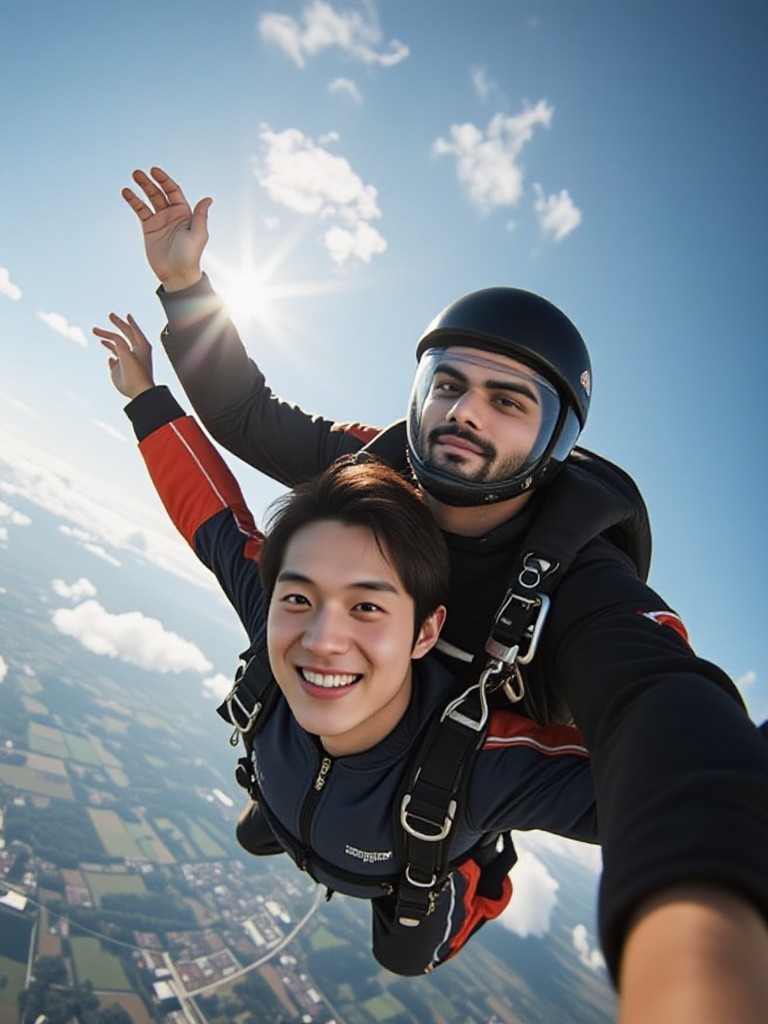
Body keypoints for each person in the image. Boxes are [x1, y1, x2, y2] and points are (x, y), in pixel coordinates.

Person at [118, 167, 768, 1021]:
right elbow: (243, 417)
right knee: (270, 810)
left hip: (447, 788)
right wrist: (186, 286)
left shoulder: (577, 581)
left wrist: (707, 905)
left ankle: (473, 877)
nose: (466, 413)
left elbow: (659, 700)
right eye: (450, 384)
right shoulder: (368, 478)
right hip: (333, 740)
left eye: (508, 401)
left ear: (556, 439)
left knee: (405, 949)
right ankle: (290, 813)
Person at [95, 313, 599, 975]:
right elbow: (214, 523)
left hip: (413, 863)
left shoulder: (477, 768)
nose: (323, 638)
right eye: (301, 596)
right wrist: (146, 398)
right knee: (258, 832)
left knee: (405, 954)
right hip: (295, 802)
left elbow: (644, 792)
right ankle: (295, 811)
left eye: (367, 606)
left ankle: (485, 870)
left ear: (425, 632)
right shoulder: (278, 615)